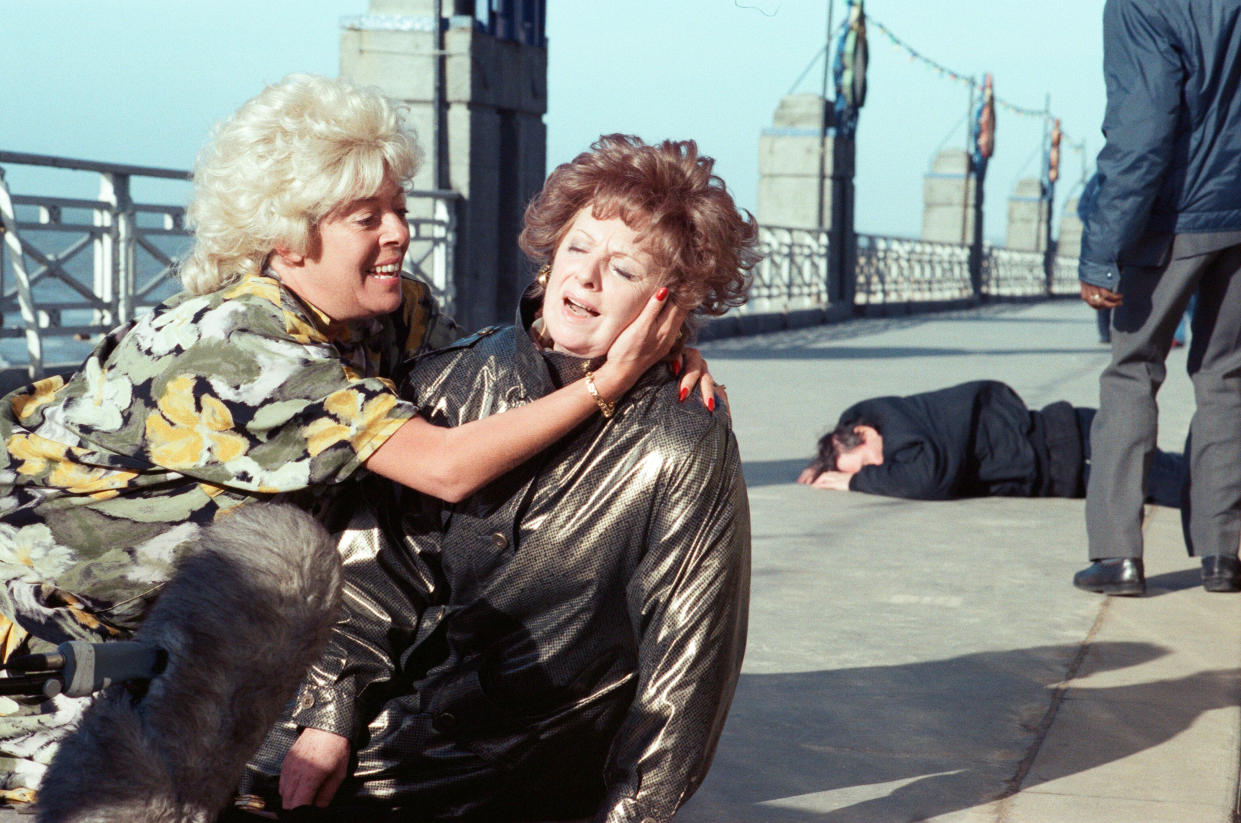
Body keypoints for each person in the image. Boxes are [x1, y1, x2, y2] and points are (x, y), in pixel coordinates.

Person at [0, 76, 703, 799]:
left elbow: (491, 387)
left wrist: (651, 346)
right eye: (364, 216)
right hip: (41, 654)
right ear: (288, 236)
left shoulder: (386, 312)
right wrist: (606, 384)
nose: (398, 231)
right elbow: (447, 464)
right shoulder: (235, 345)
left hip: (175, 641)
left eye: (397, 207)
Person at [236, 134, 756, 823]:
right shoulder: (454, 373)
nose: (588, 279)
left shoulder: (681, 442)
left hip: (519, 762)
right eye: (577, 249)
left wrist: (634, 812)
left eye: (624, 268)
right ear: (546, 262)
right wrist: (328, 712)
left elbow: (687, 663)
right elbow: (375, 568)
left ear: (668, 304)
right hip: (373, 718)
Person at [1074, 0, 1241, 596]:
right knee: (1227, 377)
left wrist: (1102, 249)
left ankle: (1118, 555)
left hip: (1174, 218)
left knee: (1132, 372)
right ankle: (1223, 554)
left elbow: (1141, 129)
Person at [797, 380, 1184, 509]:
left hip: (1074, 447)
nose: (877, 473)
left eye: (866, 464)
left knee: (1186, 488)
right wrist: (827, 465)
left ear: (863, 434)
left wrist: (854, 482)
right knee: (1187, 477)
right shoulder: (893, 424)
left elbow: (926, 479)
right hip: (1070, 451)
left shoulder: (897, 423)